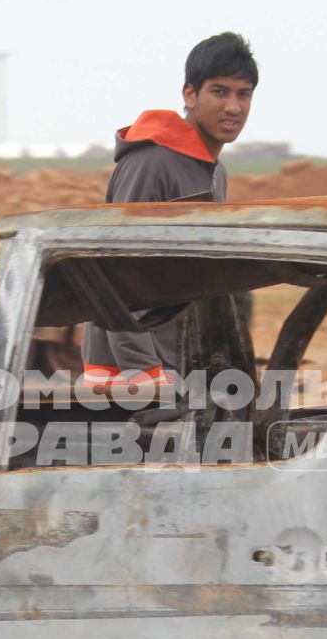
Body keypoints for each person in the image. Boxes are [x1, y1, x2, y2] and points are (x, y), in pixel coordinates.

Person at [81, 32, 257, 385]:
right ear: (189, 95)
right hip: (132, 372)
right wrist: (141, 370)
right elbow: (117, 268)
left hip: (179, 362)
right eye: (219, 92)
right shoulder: (151, 163)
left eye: (244, 94)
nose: (233, 108)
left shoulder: (214, 171)